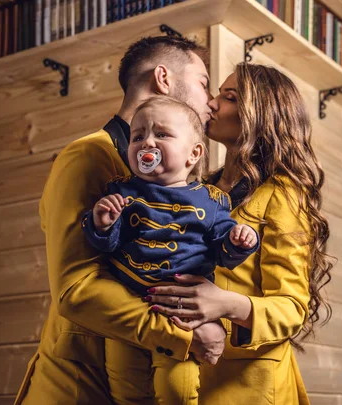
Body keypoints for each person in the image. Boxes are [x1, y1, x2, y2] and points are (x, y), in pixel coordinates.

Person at [14, 36, 227, 405]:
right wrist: (187, 336)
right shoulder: (87, 156)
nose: (210, 101)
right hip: (76, 388)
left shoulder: (167, 179)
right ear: (163, 78)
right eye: (203, 83)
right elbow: (76, 290)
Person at [147, 63, 334, 405]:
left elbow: (292, 308)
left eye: (229, 97)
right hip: (190, 377)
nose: (213, 104)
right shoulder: (198, 190)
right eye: (217, 93)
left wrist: (224, 303)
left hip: (254, 387)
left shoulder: (283, 193)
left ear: (260, 116)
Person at [81, 96, 259, 405]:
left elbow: (223, 254)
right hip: (129, 310)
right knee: (125, 389)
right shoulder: (121, 191)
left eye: (161, 134)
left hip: (184, 317)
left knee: (178, 390)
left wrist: (239, 240)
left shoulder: (212, 201)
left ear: (193, 154)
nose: (147, 142)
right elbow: (104, 246)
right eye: (138, 136)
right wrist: (103, 223)